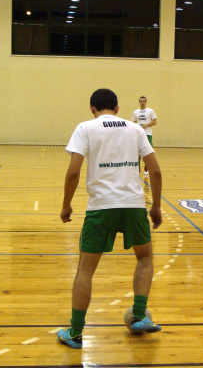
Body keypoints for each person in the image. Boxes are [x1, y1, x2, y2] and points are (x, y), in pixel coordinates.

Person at [57, 88, 163, 349]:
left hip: (101, 208)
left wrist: (66, 205)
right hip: (133, 206)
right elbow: (155, 170)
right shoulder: (136, 129)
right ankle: (139, 315)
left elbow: (73, 173)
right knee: (145, 258)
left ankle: (76, 332)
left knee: (85, 270)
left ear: (92, 108)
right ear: (117, 108)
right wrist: (156, 207)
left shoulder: (85, 128)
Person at [131, 96, 157, 175]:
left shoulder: (150, 111)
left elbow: (155, 122)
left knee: (148, 151)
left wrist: (145, 126)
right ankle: (137, 168)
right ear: (139, 102)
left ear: (146, 102)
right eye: (141, 101)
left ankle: (146, 167)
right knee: (137, 151)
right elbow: (134, 123)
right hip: (138, 134)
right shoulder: (136, 112)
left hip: (148, 134)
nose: (142, 102)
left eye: (144, 101)